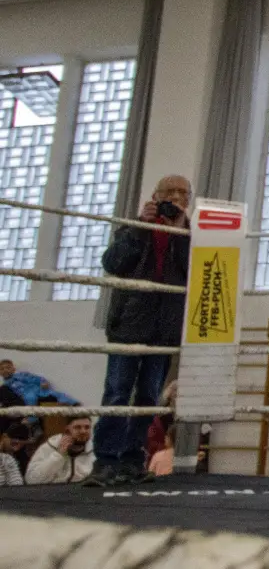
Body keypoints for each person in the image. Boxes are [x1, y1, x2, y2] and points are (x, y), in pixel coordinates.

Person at [86, 174, 190, 487]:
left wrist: (181, 231)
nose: (175, 198)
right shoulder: (133, 227)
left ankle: (132, 459)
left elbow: (194, 273)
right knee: (117, 392)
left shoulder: (189, 235)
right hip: (129, 324)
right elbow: (113, 263)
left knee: (148, 397)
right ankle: (105, 460)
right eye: (169, 192)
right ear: (155, 196)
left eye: (182, 193)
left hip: (164, 328)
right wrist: (139, 228)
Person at [26, 416, 95, 484]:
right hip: (54, 491)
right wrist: (58, 455)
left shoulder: (96, 450)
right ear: (67, 430)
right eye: (77, 427)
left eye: (87, 427)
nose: (83, 431)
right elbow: (31, 480)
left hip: (83, 491)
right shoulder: (49, 447)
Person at [0, 358, 79, 408]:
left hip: (37, 388)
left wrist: (43, 381)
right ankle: (32, 419)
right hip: (26, 394)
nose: (5, 370)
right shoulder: (5, 386)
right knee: (30, 400)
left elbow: (35, 378)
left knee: (55, 393)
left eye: (8, 367)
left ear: (13, 369)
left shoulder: (22, 374)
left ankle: (73, 403)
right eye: (2, 369)